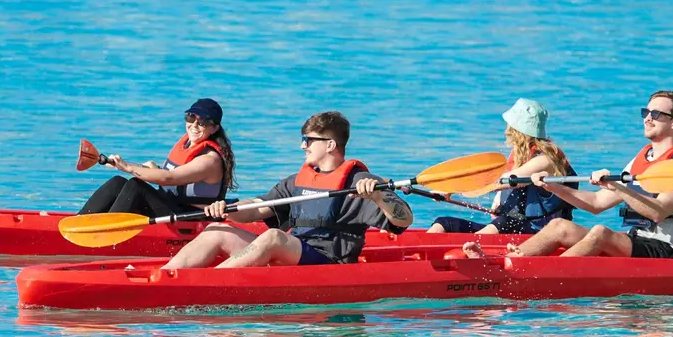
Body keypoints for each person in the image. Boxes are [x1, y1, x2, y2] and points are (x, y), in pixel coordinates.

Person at [465, 90, 673, 259]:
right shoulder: (640, 160)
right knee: (559, 225)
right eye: (646, 112)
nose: (647, 118)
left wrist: (618, 188)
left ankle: (545, 274)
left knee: (601, 232)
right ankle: (511, 261)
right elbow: (595, 204)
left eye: (656, 114)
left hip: (665, 248)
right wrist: (553, 187)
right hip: (636, 240)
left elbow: (658, 211)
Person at [161, 111, 414, 269]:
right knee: (218, 229)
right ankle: (166, 278)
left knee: (273, 237)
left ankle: (210, 284)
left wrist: (378, 196)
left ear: (330, 145)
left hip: (328, 263)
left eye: (308, 141)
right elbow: (257, 208)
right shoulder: (296, 181)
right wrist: (226, 209)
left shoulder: (361, 182)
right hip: (294, 253)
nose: (303, 146)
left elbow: (404, 220)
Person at [427, 98, 575, 235]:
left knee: (506, 222)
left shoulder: (546, 160)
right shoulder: (518, 157)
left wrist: (452, 189)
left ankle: (466, 251)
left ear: (517, 131)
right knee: (443, 223)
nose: (506, 132)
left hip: (538, 234)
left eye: (509, 127)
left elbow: (501, 181)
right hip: (510, 226)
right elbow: (500, 196)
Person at [78, 98, 236, 216]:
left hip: (187, 218)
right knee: (118, 182)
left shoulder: (209, 160)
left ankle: (106, 232)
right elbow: (169, 176)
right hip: (169, 206)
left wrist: (127, 167)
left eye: (202, 122)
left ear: (214, 128)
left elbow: (169, 178)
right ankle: (80, 220)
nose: (194, 125)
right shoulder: (188, 144)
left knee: (136, 186)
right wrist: (126, 165)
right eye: (191, 118)